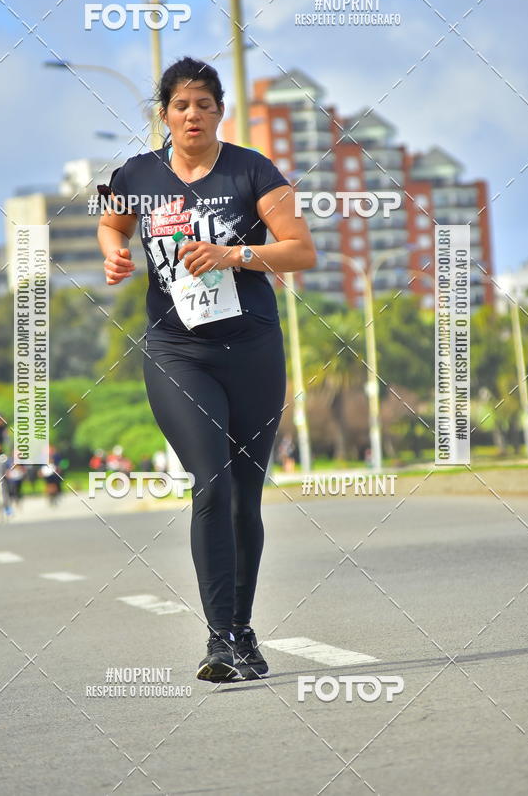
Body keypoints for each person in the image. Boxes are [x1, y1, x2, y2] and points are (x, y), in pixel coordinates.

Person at [98, 56, 316, 682]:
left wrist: (234, 253)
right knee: (211, 482)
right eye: (179, 105)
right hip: (177, 353)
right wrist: (116, 256)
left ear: (220, 110)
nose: (192, 115)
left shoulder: (253, 169)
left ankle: (243, 631)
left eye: (203, 104)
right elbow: (111, 224)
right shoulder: (134, 173)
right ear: (163, 114)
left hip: (252, 350)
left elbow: (301, 249)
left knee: (246, 499)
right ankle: (220, 639)